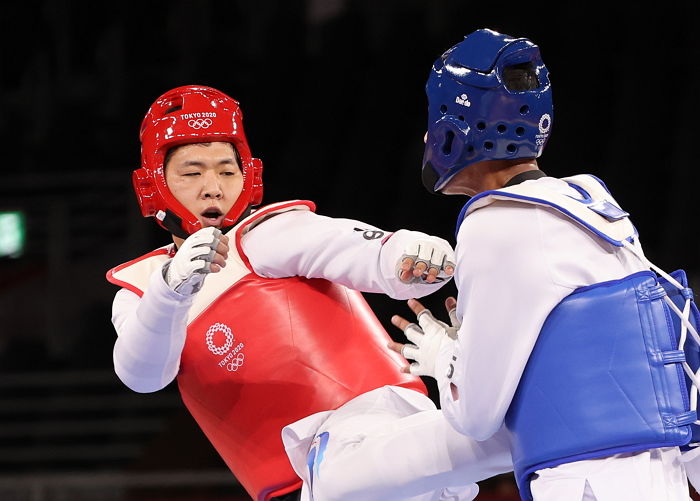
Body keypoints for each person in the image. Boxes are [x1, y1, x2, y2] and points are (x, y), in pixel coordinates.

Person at [107, 85, 512, 501]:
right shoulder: (141, 289)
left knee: (498, 432)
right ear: (154, 184)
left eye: (227, 171)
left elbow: (354, 249)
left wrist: (407, 255)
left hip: (370, 436)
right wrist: (170, 291)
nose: (213, 187)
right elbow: (143, 376)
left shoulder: (269, 233)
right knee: (493, 436)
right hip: (303, 488)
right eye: (192, 173)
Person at [390, 29, 700, 501]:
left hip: (587, 482)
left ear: (453, 127)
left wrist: (442, 357)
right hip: (657, 475)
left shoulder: (496, 221)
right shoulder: (587, 200)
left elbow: (476, 414)